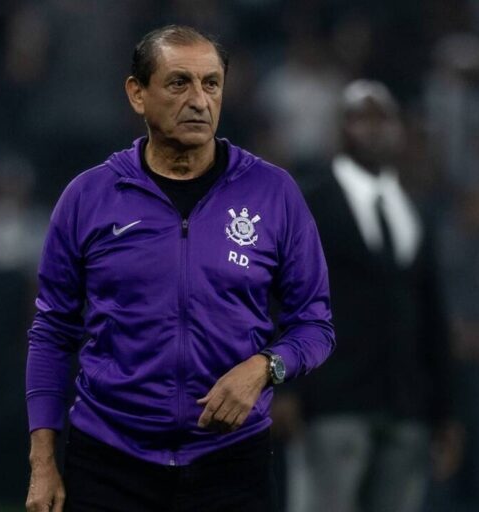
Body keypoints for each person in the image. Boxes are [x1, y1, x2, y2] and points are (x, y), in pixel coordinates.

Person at [24, 25, 335, 512]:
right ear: (137, 94)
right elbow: (52, 332)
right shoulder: (88, 197)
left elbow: (314, 324)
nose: (198, 100)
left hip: (232, 463)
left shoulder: (273, 193)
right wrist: (43, 461)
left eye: (211, 84)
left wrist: (264, 368)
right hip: (108, 460)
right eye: (178, 83)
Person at [294, 80, 461, 512]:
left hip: (405, 403)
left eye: (383, 118)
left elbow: (431, 313)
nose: (373, 129)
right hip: (334, 399)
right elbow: (285, 297)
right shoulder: (312, 204)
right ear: (340, 128)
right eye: (360, 117)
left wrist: (445, 410)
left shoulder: (414, 209)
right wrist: (284, 390)